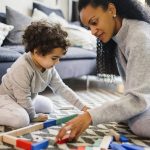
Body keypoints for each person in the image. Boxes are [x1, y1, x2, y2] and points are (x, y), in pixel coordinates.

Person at [56, 0, 150, 141]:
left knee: (140, 125)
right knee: (126, 114)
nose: (93, 32)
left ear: (111, 10)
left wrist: (90, 116)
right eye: (88, 27)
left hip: (143, 99)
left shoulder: (139, 36)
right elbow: (134, 92)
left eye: (94, 22)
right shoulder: (120, 37)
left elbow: (138, 100)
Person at [0, 21, 88, 129]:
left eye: (59, 58)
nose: (57, 62)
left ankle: (26, 111)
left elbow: (61, 88)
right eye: (54, 58)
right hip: (7, 99)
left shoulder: (49, 67)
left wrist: (83, 107)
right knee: (22, 120)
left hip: (27, 98)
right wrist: (33, 117)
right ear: (37, 52)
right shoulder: (22, 67)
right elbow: (22, 98)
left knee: (48, 106)